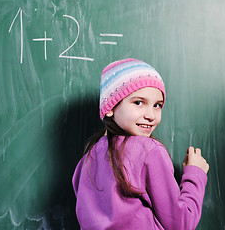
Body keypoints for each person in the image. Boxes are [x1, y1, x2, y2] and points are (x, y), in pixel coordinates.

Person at [72, 58, 209, 230]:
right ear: (110, 107)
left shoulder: (87, 159)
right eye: (139, 102)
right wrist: (195, 174)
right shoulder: (149, 151)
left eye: (157, 105)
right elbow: (180, 224)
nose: (151, 115)